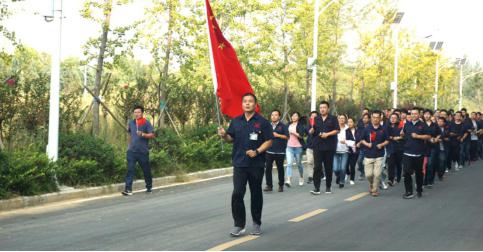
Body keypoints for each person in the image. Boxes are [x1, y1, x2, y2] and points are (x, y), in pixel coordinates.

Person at [217, 93, 273, 237]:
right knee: (237, 193)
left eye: (250, 101)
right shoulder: (236, 121)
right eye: (245, 101)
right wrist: (224, 135)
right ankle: (239, 224)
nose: (247, 103)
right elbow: (230, 138)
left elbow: (269, 141)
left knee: (256, 194)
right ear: (242, 104)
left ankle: (256, 223)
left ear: (255, 104)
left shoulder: (263, 122)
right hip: (239, 163)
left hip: (256, 164)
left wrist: (257, 151)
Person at [122, 105, 156, 196]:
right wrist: (128, 146)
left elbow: (152, 135)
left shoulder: (146, 123)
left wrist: (143, 134)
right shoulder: (132, 123)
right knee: (130, 170)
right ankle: (128, 189)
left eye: (138, 112)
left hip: (143, 152)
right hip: (132, 151)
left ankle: (149, 186)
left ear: (142, 113)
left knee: (146, 170)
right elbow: (129, 134)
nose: (136, 114)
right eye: (135, 112)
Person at [309, 101, 340, 195]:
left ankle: (328, 186)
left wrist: (328, 134)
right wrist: (311, 130)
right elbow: (313, 131)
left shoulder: (333, 118)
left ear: (328, 109)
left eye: (324, 107)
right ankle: (316, 188)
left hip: (329, 146)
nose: (322, 109)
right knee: (317, 167)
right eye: (321, 107)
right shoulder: (316, 119)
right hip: (317, 146)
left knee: (328, 167)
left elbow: (337, 130)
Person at [401, 108, 431, 199]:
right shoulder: (407, 124)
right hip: (407, 152)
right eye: (412, 114)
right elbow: (404, 134)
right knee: (406, 172)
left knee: (419, 172)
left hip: (418, 153)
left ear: (419, 115)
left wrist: (418, 136)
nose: (413, 115)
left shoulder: (423, 125)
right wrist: (402, 134)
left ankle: (419, 189)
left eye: (415, 114)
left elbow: (428, 136)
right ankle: (409, 192)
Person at [360, 110, 389, 197]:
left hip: (379, 155)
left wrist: (382, 144)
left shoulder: (384, 129)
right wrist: (367, 144)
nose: (375, 119)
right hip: (368, 155)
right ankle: (372, 184)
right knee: (368, 175)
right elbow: (362, 139)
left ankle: (375, 190)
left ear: (380, 118)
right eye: (374, 117)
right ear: (371, 118)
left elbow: (387, 140)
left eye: (377, 117)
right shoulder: (366, 129)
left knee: (377, 174)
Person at [264, 110, 288, 192]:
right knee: (267, 168)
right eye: (272, 115)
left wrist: (277, 135)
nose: (273, 116)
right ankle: (269, 185)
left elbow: (287, 137)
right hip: (269, 150)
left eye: (276, 115)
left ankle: (281, 185)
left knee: (280, 168)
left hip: (280, 151)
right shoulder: (267, 126)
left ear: (279, 116)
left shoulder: (283, 126)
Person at [285, 112, 306, 187]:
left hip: (298, 147)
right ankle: (288, 179)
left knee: (299, 164)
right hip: (289, 146)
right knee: (289, 163)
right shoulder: (288, 125)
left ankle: (301, 177)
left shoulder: (300, 126)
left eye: (295, 116)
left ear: (298, 117)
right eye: (292, 116)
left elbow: (301, 136)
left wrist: (293, 132)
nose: (293, 117)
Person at [422, 109, 439, 188]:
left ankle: (429, 181)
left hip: (432, 147)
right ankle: (423, 181)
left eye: (428, 114)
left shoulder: (435, 125)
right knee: (423, 165)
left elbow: (439, 134)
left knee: (430, 164)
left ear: (431, 115)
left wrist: (436, 139)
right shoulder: (421, 124)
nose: (426, 115)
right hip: (422, 147)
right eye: (425, 114)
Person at [387, 113, 404, 186]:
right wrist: (391, 138)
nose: (393, 119)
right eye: (391, 118)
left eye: (395, 118)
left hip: (399, 147)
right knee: (390, 164)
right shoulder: (387, 127)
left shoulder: (400, 127)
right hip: (390, 147)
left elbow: (404, 136)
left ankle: (398, 177)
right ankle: (390, 179)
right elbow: (385, 135)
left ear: (397, 119)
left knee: (398, 163)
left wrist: (398, 138)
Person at [334, 114, 349, 189]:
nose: (341, 120)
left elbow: (352, 140)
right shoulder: (334, 127)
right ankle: (339, 176)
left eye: (343, 118)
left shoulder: (348, 128)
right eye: (340, 118)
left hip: (345, 151)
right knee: (336, 169)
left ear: (345, 120)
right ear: (338, 119)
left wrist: (346, 141)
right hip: (335, 151)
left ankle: (341, 181)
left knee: (343, 168)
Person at [305, 111, 319, 184]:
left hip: (318, 147)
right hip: (309, 146)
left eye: (315, 116)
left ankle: (318, 175)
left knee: (316, 163)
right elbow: (308, 132)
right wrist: (311, 131)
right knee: (310, 162)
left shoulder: (320, 125)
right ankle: (310, 176)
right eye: (312, 116)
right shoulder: (308, 125)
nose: (313, 117)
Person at [345, 117, 360, 185]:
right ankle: (347, 173)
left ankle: (352, 178)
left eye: (351, 122)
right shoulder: (346, 131)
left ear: (354, 123)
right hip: (347, 150)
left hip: (355, 151)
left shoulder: (358, 130)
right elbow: (344, 140)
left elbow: (361, 139)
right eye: (348, 122)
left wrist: (359, 143)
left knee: (352, 165)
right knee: (346, 165)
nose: (349, 123)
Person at [356, 113, 370, 180]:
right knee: (359, 161)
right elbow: (358, 136)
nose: (365, 119)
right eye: (364, 118)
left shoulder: (371, 127)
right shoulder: (360, 126)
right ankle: (362, 172)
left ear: (369, 119)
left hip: (369, 147)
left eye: (366, 118)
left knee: (369, 162)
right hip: (362, 147)